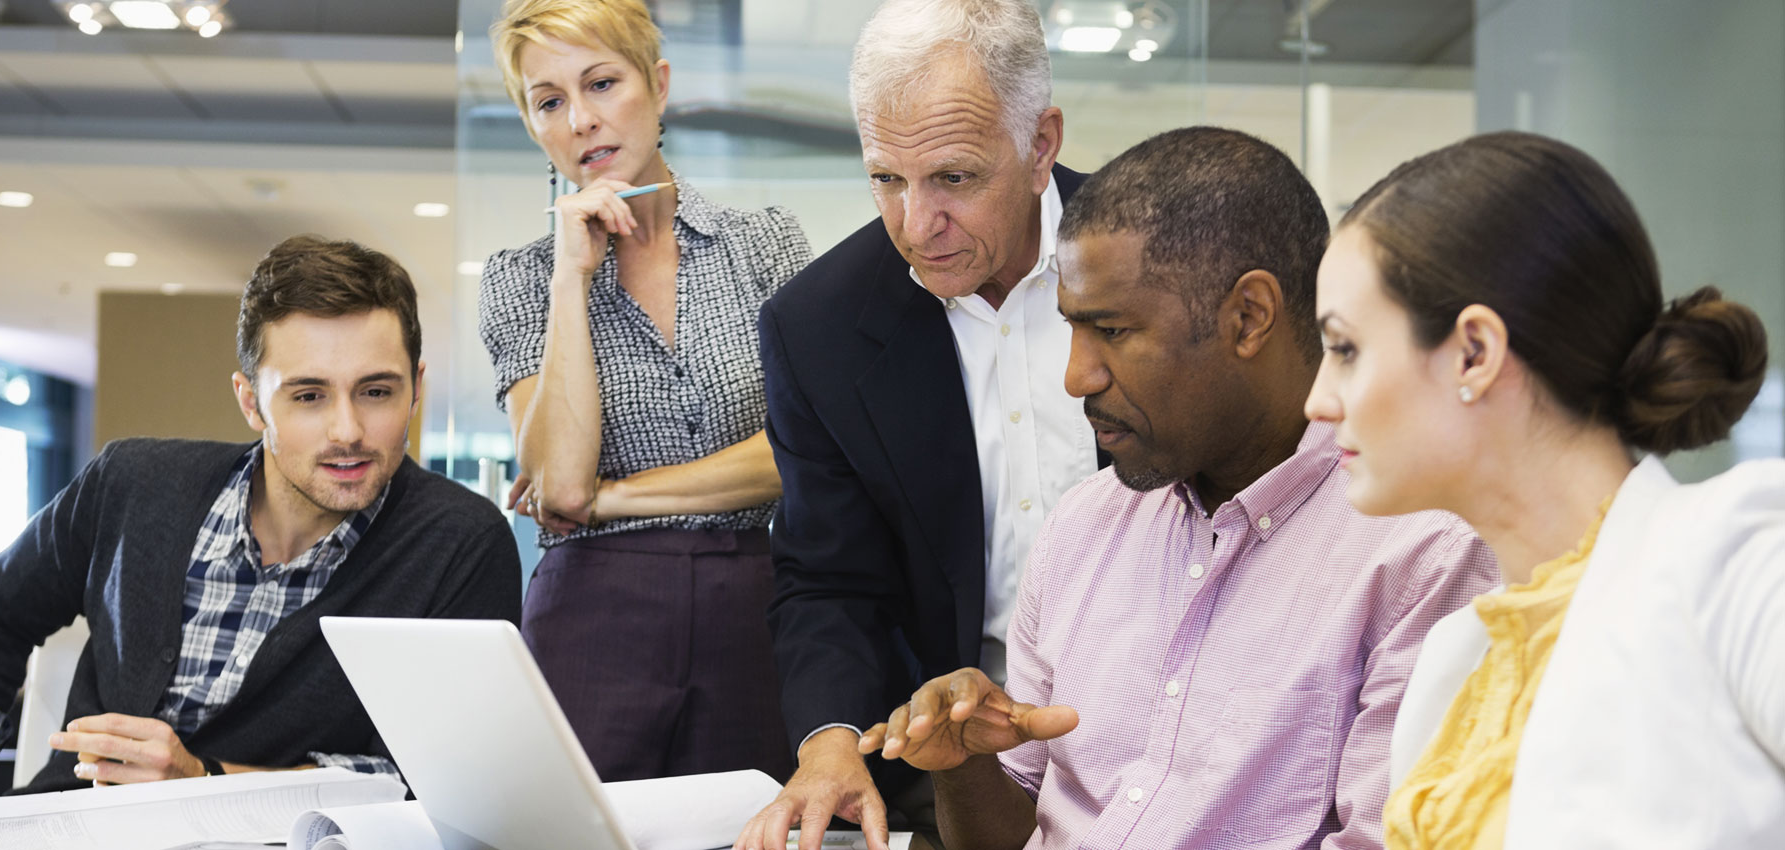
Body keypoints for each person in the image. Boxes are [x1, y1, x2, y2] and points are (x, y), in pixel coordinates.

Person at [854, 127, 1501, 850]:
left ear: (1248, 317)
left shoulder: (1425, 551)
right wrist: (964, 764)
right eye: (1072, 329)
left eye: (1111, 330)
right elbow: (1015, 831)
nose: (1076, 376)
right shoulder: (1084, 526)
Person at [0, 235, 524, 804]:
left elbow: (425, 783)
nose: (348, 431)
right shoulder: (132, 482)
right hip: (73, 822)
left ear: (416, 387)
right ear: (251, 401)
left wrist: (202, 782)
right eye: (308, 396)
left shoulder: (460, 542)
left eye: (377, 392)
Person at [1303, 131, 1780, 848]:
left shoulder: (1734, 554)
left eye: (1344, 349)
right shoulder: (1456, 663)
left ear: (1474, 353)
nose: (1317, 402)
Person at [736, 1, 1104, 847]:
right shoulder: (816, 326)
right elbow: (829, 578)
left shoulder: (1156, 252)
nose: (914, 224)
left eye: (954, 179)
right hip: (954, 770)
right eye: (885, 179)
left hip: (1169, 734)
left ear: (1040, 145)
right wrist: (828, 743)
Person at [478, 0, 811, 783]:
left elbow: (804, 454)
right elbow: (561, 484)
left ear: (657, 86)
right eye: (549, 101)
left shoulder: (764, 244)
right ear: (532, 126)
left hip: (754, 606)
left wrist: (615, 498)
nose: (581, 120)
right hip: (591, 616)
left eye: (601, 83)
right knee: (573, 833)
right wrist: (571, 277)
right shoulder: (522, 279)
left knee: (742, 827)